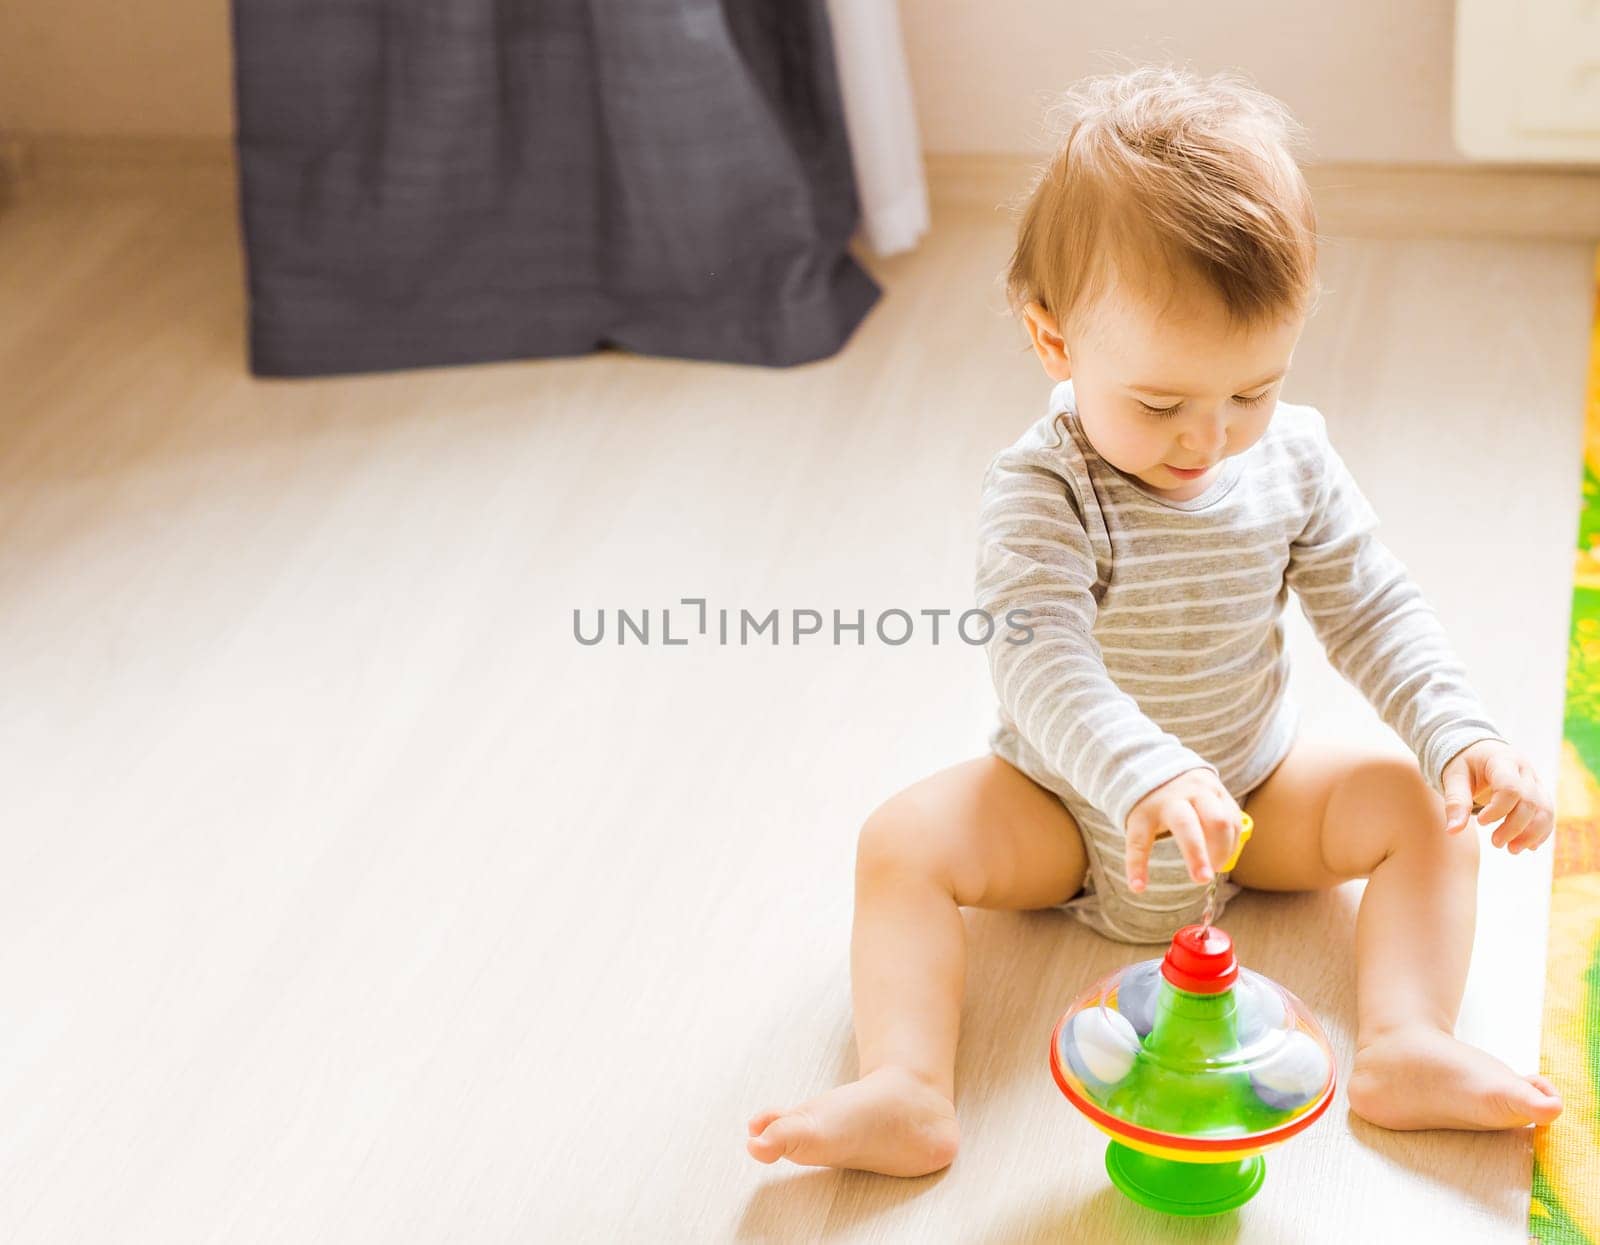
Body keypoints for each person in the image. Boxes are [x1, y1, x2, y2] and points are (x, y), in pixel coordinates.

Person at [745, 66, 1563, 1178]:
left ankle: (1406, 1041)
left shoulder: (1292, 457)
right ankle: (904, 1086)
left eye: (1251, 391)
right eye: (1160, 402)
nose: (1208, 439)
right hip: (1062, 808)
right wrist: (1135, 772)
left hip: (1253, 796)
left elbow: (1372, 605)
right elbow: (1042, 665)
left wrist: (1459, 735)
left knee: (1423, 805)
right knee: (901, 843)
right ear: (1054, 344)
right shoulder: (1045, 487)